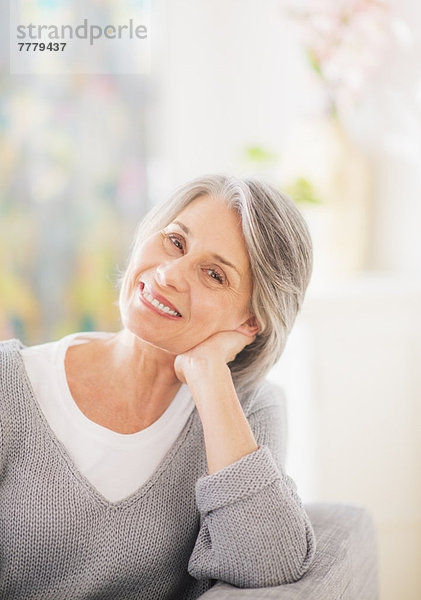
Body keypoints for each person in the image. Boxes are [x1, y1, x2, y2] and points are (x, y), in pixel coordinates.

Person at [0, 174, 316, 599]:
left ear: (250, 323)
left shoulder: (245, 410)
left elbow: (268, 561)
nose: (169, 274)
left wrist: (207, 374)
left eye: (214, 275)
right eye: (175, 242)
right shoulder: (10, 382)